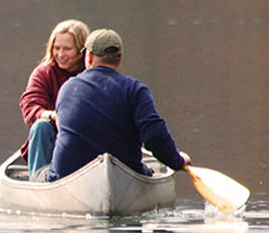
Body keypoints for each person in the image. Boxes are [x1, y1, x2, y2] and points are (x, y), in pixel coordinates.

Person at [46, 28, 190, 182]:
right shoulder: (135, 89)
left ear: (89, 57)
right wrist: (177, 161)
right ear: (119, 58)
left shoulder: (67, 88)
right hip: (124, 176)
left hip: (67, 176)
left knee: (40, 172)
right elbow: (154, 135)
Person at [19, 19, 90, 180]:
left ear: (81, 50)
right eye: (56, 48)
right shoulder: (43, 73)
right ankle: (38, 181)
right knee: (41, 126)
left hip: (84, 139)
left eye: (67, 49)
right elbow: (30, 105)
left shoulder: (92, 74)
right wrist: (53, 115)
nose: (60, 54)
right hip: (51, 139)